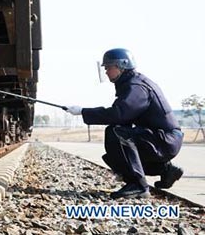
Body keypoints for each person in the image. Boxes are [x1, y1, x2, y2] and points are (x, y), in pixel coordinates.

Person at [65, 48, 184, 199]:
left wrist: (83, 111)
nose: (106, 71)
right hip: (161, 139)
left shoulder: (136, 87)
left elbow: (119, 114)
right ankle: (166, 170)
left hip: (164, 140)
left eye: (108, 67)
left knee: (116, 133)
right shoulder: (132, 82)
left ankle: (138, 185)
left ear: (122, 65)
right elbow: (125, 116)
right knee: (117, 150)